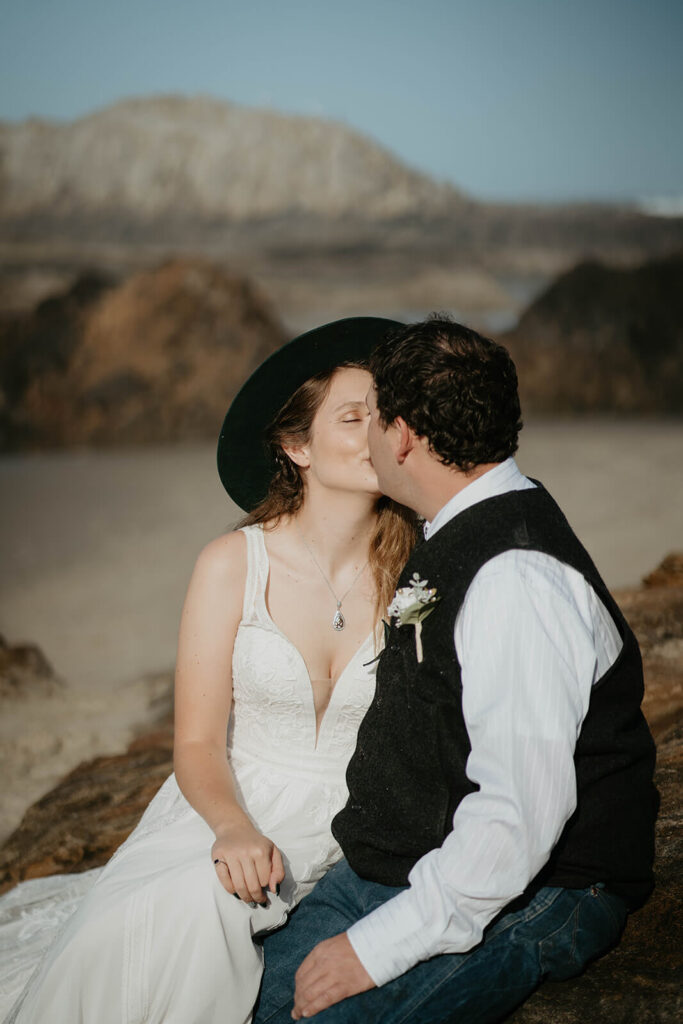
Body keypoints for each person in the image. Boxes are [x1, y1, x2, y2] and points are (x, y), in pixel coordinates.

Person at [0, 317, 417, 1024]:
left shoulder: (418, 571)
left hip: (355, 819)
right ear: (296, 446)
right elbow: (195, 743)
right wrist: (231, 829)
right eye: (353, 417)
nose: (378, 433)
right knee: (181, 909)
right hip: (226, 804)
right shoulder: (231, 564)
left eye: (386, 416)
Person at [254, 316, 659, 1024]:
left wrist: (374, 949)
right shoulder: (453, 526)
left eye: (374, 418)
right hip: (406, 863)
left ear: (402, 435)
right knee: (245, 1002)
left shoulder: (515, 577)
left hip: (537, 890)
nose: (367, 437)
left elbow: (516, 821)